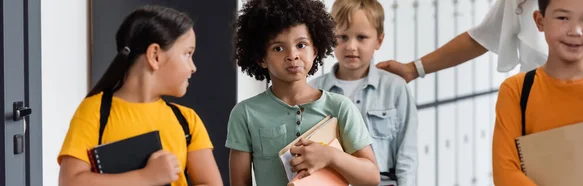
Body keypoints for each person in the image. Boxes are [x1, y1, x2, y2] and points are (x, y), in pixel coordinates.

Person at [57, 5, 222, 186]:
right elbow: (70, 181)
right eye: (187, 54)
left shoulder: (187, 121)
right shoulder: (94, 111)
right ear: (155, 56)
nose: (193, 67)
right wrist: (146, 177)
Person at [225, 0, 381, 185]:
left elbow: (372, 177)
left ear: (315, 51)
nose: (292, 55)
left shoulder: (340, 107)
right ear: (261, 58)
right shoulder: (245, 114)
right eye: (278, 48)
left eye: (301, 45)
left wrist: (330, 156)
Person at [309, 0, 417, 185]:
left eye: (361, 37)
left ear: (379, 40)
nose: (351, 46)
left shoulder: (395, 88)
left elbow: (407, 155)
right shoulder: (314, 89)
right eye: (342, 37)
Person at [492, 0, 583, 185]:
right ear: (540, 21)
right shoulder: (516, 90)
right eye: (563, 17)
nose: (575, 30)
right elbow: (505, 172)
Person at [375, 0, 583, 83]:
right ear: (539, 21)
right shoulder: (520, 3)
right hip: (536, 116)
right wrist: (413, 69)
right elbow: (481, 38)